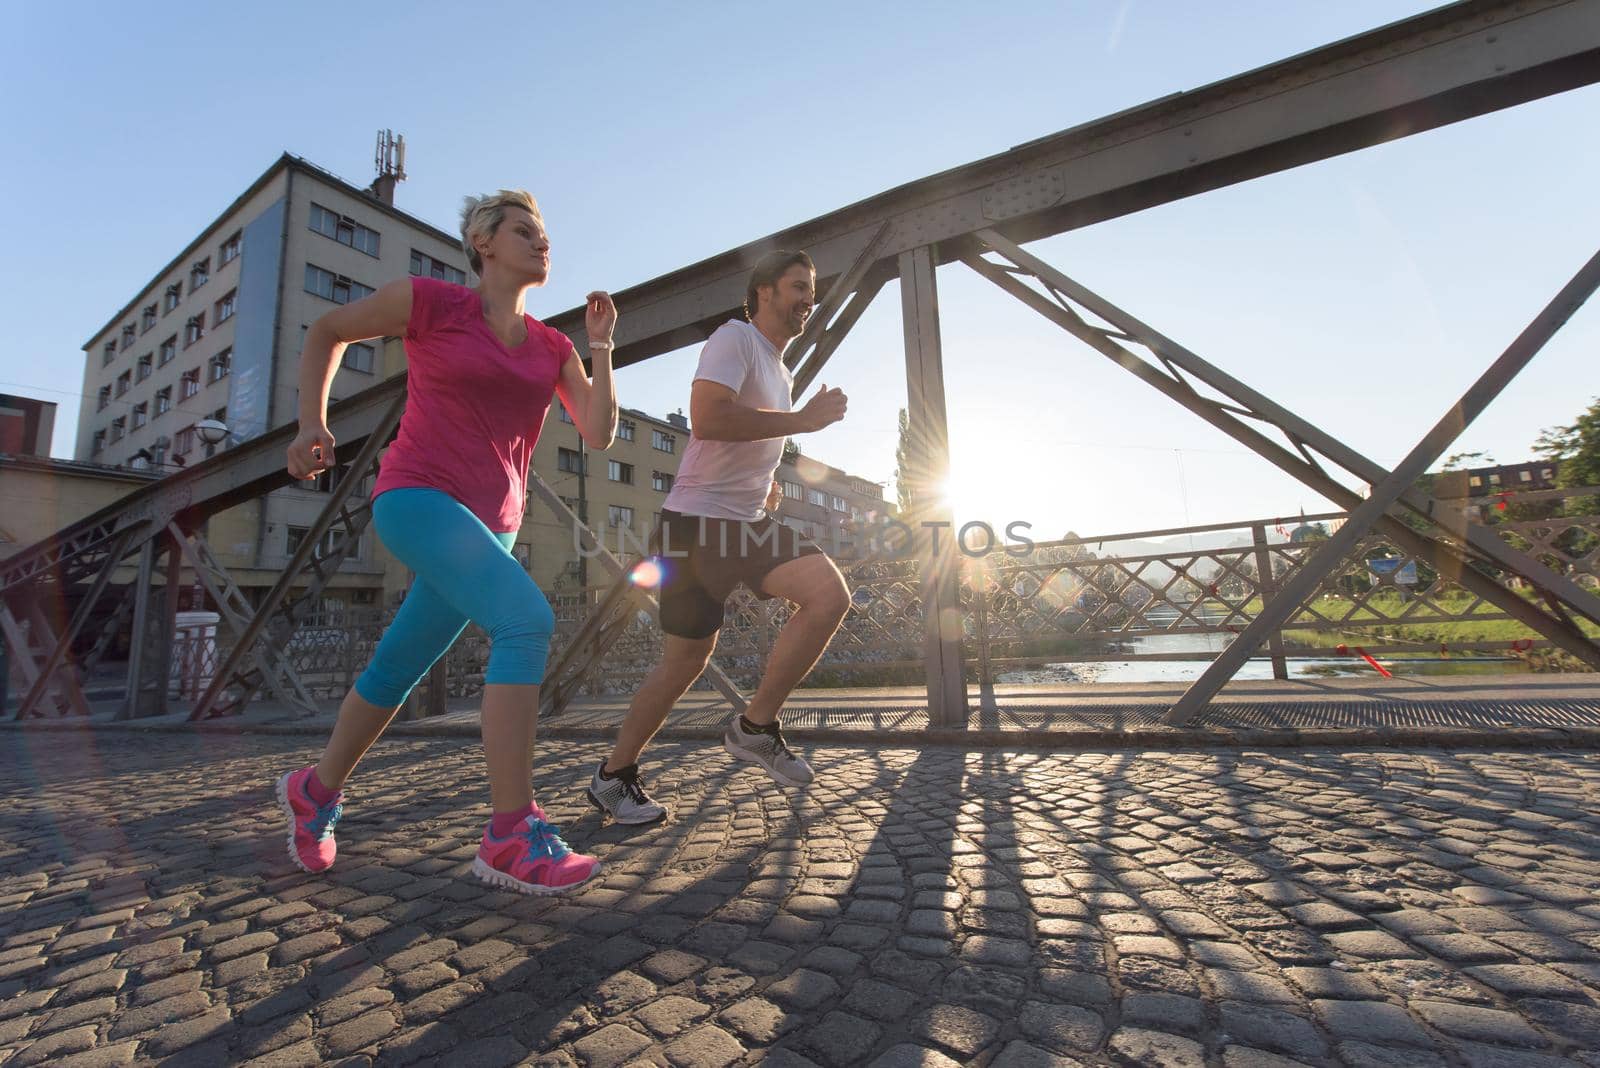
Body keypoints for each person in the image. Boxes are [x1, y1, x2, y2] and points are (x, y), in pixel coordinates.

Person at [276, 189, 619, 895]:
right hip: (417, 495)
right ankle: (509, 834)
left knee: (397, 667)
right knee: (526, 620)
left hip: (494, 525)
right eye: (525, 230)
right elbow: (327, 331)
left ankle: (315, 791)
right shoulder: (431, 303)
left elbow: (600, 432)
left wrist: (602, 348)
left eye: (546, 233)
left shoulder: (554, 347)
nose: (542, 241)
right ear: (483, 242)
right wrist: (311, 422)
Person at [586, 250, 851, 825]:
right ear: (764, 291)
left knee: (828, 594)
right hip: (697, 524)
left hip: (744, 521)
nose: (811, 298)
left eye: (813, 288)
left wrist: (767, 482)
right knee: (684, 660)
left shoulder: (780, 370)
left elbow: (744, 439)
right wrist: (803, 421)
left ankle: (753, 727)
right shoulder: (735, 338)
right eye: (799, 286)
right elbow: (708, 419)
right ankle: (616, 775)